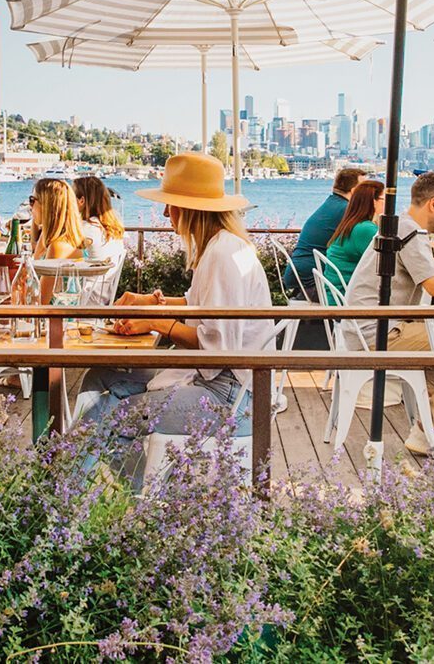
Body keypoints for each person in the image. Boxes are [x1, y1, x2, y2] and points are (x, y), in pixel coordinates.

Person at [89, 153, 273, 481]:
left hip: (229, 398)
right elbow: (199, 306)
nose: (163, 212)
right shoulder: (221, 247)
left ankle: (124, 506)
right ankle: (72, 484)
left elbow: (218, 349)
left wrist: (158, 322)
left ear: (189, 209)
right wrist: (150, 302)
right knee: (99, 378)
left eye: (169, 204)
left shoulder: (222, 256)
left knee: (114, 419)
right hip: (229, 386)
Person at [341, 172, 434, 453]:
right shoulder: (408, 233)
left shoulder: (403, 228)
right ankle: (429, 430)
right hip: (374, 334)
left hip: (368, 326)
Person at [289, 167, 366, 301]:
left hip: (299, 274)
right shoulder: (346, 210)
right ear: (355, 191)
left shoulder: (333, 203)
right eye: (365, 189)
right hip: (314, 280)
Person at [322, 179, 382, 300]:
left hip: (336, 296)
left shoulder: (353, 224)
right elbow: (394, 261)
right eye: (385, 199)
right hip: (348, 302)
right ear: (373, 202)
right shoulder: (365, 229)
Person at [30, 178, 86, 260]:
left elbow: (35, 271)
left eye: (32, 200)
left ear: (46, 206)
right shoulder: (49, 237)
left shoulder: (58, 247)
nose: (30, 206)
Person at [74, 175, 127, 263]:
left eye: (71, 196)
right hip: (105, 276)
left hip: (91, 276)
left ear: (81, 201)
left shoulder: (89, 227)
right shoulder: (112, 224)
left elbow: (63, 252)